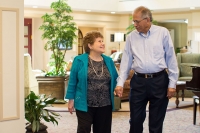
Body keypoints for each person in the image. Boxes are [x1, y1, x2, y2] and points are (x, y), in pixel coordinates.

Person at [115, 6, 179, 133]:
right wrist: (120, 83)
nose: (134, 24)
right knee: (135, 121)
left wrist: (172, 84)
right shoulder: (131, 37)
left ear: (147, 20)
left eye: (137, 21)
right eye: (134, 21)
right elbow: (126, 61)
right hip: (138, 81)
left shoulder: (162, 33)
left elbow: (171, 58)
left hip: (159, 81)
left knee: (156, 123)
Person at [65, 31, 118, 133]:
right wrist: (71, 100)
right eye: (99, 41)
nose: (103, 43)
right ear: (90, 45)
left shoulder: (109, 61)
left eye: (102, 41)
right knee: (83, 129)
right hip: (84, 104)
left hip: (105, 104)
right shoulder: (79, 60)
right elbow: (72, 81)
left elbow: (115, 78)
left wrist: (117, 88)